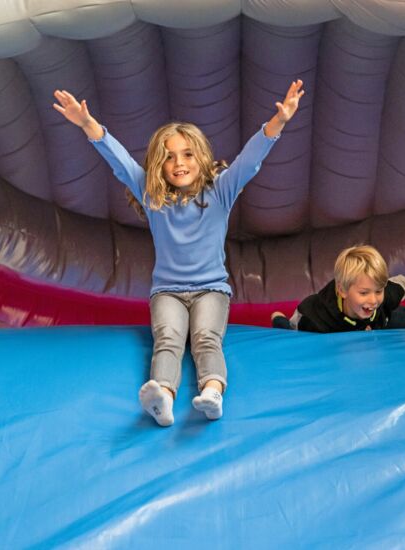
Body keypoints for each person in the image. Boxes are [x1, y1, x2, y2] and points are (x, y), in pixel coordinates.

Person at [53, 80, 305, 426]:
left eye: (187, 154)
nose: (179, 163)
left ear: (201, 158)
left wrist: (279, 122)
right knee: (168, 339)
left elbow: (251, 159)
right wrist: (87, 124)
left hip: (211, 289)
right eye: (169, 157)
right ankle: (164, 400)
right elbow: (119, 161)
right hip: (168, 291)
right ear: (159, 165)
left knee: (205, 338)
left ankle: (213, 393)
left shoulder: (221, 191)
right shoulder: (152, 196)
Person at [271, 245, 405, 332]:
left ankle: (372, 326)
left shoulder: (382, 297)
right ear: (342, 290)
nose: (374, 299)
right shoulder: (318, 319)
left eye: (378, 291)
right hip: (318, 328)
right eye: (364, 293)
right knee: (289, 333)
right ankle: (279, 319)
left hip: (370, 323)